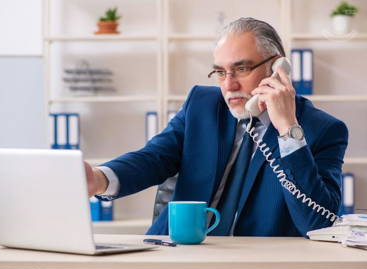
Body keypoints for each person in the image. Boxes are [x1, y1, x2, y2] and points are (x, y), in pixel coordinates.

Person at [84, 17, 348, 237]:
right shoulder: (202, 104)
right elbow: (154, 157)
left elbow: (318, 223)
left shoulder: (323, 130)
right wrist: (98, 179)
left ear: (276, 67)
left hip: (258, 267)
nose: (228, 85)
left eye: (241, 69)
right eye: (220, 72)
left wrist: (288, 130)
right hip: (179, 253)